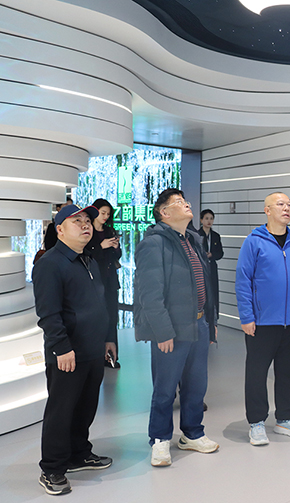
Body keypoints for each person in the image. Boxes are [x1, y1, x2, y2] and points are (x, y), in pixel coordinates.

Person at [32, 204, 116, 495]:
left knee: (85, 407)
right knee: (61, 411)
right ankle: (52, 468)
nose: (85, 225)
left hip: (93, 349)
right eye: (76, 221)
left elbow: (100, 304)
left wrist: (108, 338)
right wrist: (61, 348)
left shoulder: (88, 260)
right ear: (59, 230)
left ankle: (78, 454)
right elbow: (48, 313)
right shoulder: (50, 263)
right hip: (67, 353)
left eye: (87, 221)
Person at [134, 188, 219, 467]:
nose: (186, 205)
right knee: (165, 388)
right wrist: (162, 331)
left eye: (186, 201)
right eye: (179, 202)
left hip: (198, 324)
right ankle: (160, 439)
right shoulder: (153, 243)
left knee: (196, 385)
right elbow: (150, 293)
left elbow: (206, 285)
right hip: (172, 328)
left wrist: (210, 322)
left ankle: (192, 433)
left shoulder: (193, 240)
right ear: (164, 213)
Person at [235, 192, 290, 446]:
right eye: (280, 204)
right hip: (261, 322)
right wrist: (247, 316)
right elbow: (243, 280)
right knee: (257, 374)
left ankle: (285, 418)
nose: (286, 208)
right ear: (267, 210)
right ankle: (257, 422)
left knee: (288, 372)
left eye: (289, 204)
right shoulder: (254, 241)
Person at [86, 198, 122, 369]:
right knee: (96, 318)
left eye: (108, 213)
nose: (106, 216)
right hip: (93, 281)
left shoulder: (109, 231)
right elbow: (86, 256)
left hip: (110, 280)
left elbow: (117, 256)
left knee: (112, 317)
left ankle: (111, 357)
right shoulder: (88, 232)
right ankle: (96, 356)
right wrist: (101, 246)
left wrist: (115, 247)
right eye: (103, 213)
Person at [199, 209, 224, 319]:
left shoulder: (215, 236)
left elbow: (220, 253)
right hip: (200, 267)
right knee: (202, 290)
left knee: (213, 291)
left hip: (212, 267)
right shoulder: (197, 235)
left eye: (211, 219)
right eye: (206, 218)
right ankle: (202, 315)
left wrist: (212, 255)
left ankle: (213, 317)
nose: (209, 221)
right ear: (201, 220)